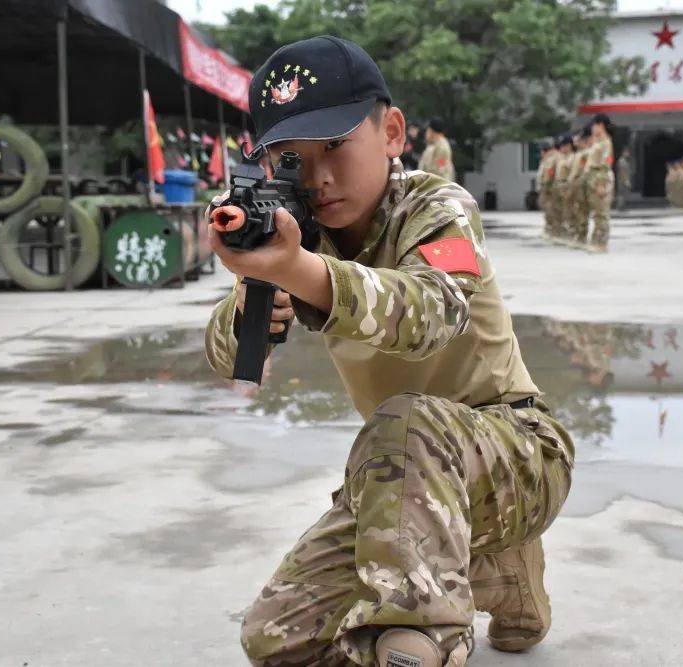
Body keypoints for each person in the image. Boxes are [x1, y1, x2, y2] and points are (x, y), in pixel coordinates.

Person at [204, 36, 575, 667]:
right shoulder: (301, 234)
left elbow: (430, 313)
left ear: (392, 131)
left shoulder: (438, 208)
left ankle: (428, 636)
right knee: (276, 638)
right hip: (401, 481)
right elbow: (227, 355)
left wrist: (301, 271)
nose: (318, 176)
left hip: (520, 454)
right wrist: (253, 300)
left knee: (403, 421)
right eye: (290, 159)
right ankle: (490, 570)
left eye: (335, 146)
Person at [586, 114, 615, 250]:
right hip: (593, 178)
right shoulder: (597, 143)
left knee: (601, 213)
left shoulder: (606, 143)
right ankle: (596, 240)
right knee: (596, 212)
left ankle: (602, 242)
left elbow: (605, 165)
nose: (592, 128)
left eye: (594, 125)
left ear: (601, 125)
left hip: (599, 178)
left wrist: (601, 184)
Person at [418, 116, 455, 182]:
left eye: (428, 130)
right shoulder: (433, 145)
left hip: (437, 186)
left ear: (432, 131)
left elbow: (440, 169)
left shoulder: (442, 147)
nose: (426, 133)